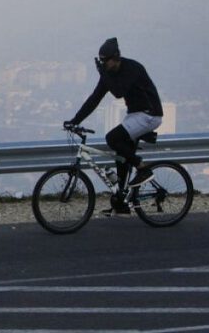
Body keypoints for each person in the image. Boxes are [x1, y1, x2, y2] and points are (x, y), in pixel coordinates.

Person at [64, 37, 163, 215]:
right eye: (101, 61)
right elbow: (94, 99)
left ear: (115, 57)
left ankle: (142, 168)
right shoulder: (109, 75)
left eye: (105, 61)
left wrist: (103, 74)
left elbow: (118, 92)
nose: (103, 64)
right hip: (135, 114)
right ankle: (121, 202)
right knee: (121, 156)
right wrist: (75, 120)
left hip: (150, 113)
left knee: (112, 138)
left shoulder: (131, 68)